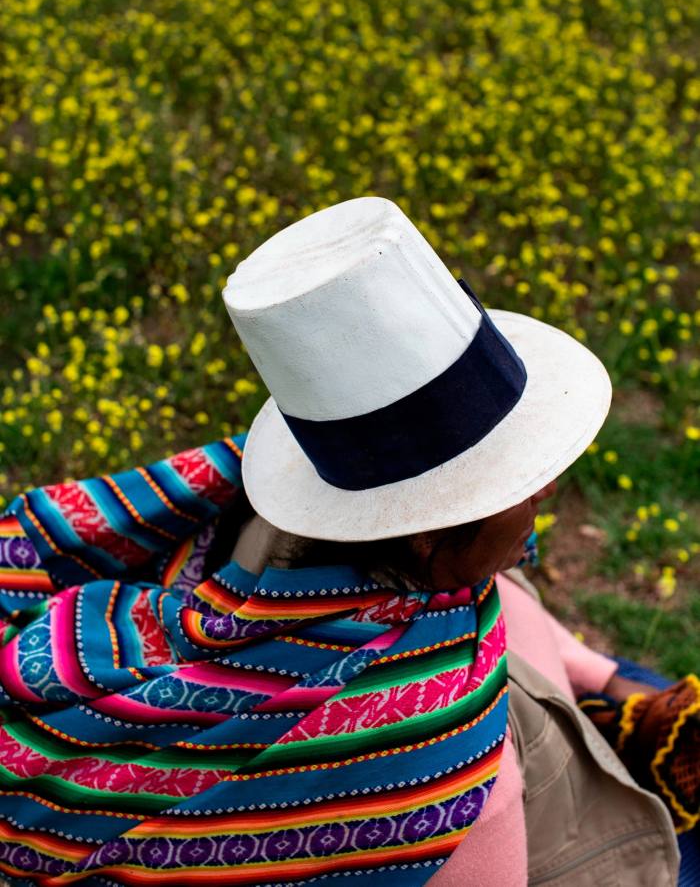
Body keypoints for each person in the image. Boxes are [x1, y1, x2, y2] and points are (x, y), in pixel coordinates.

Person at [0, 197, 692, 885]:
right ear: (427, 531)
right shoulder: (438, 753)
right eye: (522, 483)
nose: (544, 492)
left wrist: (600, 677)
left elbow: (494, 584)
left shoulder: (251, 521)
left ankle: (602, 691)